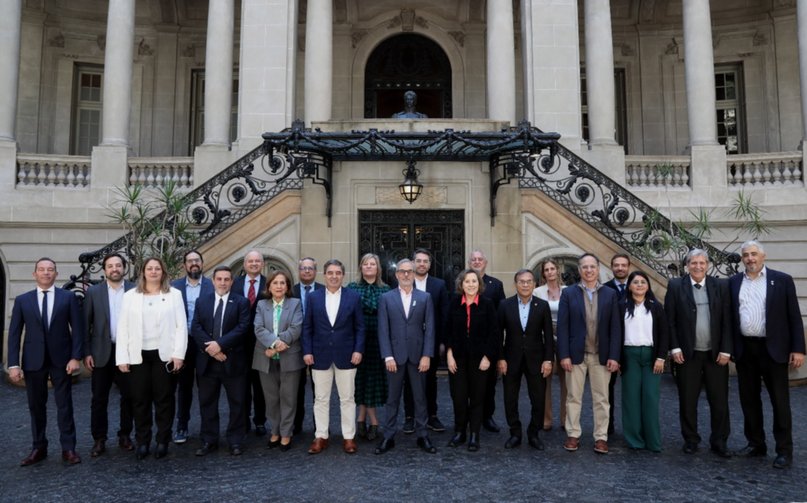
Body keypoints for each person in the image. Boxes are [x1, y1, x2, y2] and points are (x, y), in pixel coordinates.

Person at [729, 240, 805, 469]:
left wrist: (798, 348)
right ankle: (756, 444)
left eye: (754, 254)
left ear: (763, 256)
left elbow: (793, 316)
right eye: (745, 255)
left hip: (774, 350)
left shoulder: (781, 280)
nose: (750, 258)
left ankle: (784, 450)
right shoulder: (733, 283)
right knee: (749, 400)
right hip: (745, 349)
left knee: (779, 402)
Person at [8, 257, 84, 466]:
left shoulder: (67, 298)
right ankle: (38, 447)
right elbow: (14, 334)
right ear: (35, 274)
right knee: (36, 406)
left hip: (62, 360)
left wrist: (75, 357)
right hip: (33, 362)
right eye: (41, 270)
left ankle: (68, 448)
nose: (46, 273)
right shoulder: (23, 300)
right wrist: (13, 364)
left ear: (56, 274)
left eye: (50, 270)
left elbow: (78, 329)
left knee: (65, 406)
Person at [116, 257, 187, 460]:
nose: (153, 271)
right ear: (143, 272)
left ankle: (163, 440)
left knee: (164, 399)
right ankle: (143, 441)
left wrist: (178, 354)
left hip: (164, 355)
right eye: (150, 268)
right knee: (139, 400)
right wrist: (122, 357)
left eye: (157, 268)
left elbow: (181, 326)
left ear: (163, 272)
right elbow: (123, 328)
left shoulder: (174, 295)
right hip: (138, 355)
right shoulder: (130, 296)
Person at [664, 249, 732, 457]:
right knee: (688, 399)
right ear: (687, 265)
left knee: (719, 400)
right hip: (687, 354)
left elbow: (727, 320)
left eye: (702, 263)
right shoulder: (676, 286)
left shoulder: (720, 285)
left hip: (715, 354)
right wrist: (674, 348)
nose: (698, 266)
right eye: (693, 263)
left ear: (708, 265)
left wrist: (726, 349)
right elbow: (670, 320)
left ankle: (719, 440)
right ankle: (691, 439)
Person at [557, 253, 621, 454]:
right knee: (573, 397)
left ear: (598, 268)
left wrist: (614, 356)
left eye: (592, 266)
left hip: (601, 355)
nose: (589, 270)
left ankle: (601, 437)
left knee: (602, 399)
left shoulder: (610, 294)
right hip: (576, 355)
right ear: (579, 270)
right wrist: (564, 355)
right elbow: (562, 327)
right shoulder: (569, 294)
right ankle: (573, 434)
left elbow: (616, 328)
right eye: (584, 267)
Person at [302, 259, 365, 455]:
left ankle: (348, 437)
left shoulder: (353, 297)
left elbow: (360, 327)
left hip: (347, 355)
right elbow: (307, 327)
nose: (334, 276)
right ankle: (321, 436)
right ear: (324, 275)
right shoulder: (313, 298)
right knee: (320, 399)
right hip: (319, 355)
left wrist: (358, 350)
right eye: (330, 273)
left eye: (338, 273)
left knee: (347, 398)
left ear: (343, 275)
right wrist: (307, 351)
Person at [375, 258, 437, 454]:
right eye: (402, 271)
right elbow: (383, 330)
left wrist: (427, 355)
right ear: (396, 275)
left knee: (420, 398)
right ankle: (389, 436)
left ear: (414, 274)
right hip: (394, 357)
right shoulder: (387, 298)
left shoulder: (425, 297)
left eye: (409, 271)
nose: (406, 275)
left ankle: (422, 435)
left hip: (418, 356)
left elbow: (430, 330)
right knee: (392, 398)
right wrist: (387, 356)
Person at [191, 265, 251, 456]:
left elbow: (243, 328)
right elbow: (196, 327)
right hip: (208, 362)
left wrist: (220, 345)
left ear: (231, 282)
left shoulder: (241, 302)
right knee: (207, 403)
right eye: (219, 279)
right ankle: (209, 440)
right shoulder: (202, 301)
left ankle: (235, 440)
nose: (223, 282)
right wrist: (212, 349)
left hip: (233, 361)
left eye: (227, 279)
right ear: (213, 281)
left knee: (237, 402)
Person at [83, 252, 135, 457]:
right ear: (105, 270)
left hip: (128, 352)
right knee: (99, 399)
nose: (115, 269)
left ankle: (125, 435)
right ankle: (99, 439)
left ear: (124, 268)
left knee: (129, 396)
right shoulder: (94, 293)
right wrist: (86, 352)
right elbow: (85, 324)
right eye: (110, 266)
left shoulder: (134, 289)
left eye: (118, 265)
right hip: (101, 352)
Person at [498, 269, 553, 450]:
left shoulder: (542, 306)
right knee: (509, 398)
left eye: (529, 281)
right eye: (521, 281)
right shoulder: (505, 305)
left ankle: (533, 433)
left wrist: (548, 360)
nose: (525, 284)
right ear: (516, 284)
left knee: (538, 398)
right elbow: (498, 335)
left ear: (534, 284)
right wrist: (501, 358)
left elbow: (548, 335)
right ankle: (515, 433)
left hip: (536, 359)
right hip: (511, 359)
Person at [446, 269, 500, 452]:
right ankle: (460, 431)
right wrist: (449, 355)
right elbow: (447, 331)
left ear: (479, 284)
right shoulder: (453, 303)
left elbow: (495, 334)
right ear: (461, 284)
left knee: (477, 398)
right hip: (458, 359)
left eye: (474, 281)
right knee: (459, 398)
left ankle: (474, 434)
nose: (471, 284)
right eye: (467, 281)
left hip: (480, 360)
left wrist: (488, 357)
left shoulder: (487, 304)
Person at [253, 270, 304, 452]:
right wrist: (274, 343)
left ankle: (286, 433)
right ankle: (274, 430)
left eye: (283, 283)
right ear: (269, 286)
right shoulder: (261, 305)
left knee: (288, 398)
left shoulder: (295, 304)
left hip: (290, 358)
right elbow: (258, 328)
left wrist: (279, 343)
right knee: (271, 398)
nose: (279, 286)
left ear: (288, 286)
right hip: (265, 358)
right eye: (275, 283)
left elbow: (296, 328)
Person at [619, 270, 668, 452]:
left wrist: (661, 357)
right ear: (629, 286)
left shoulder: (656, 307)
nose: (639, 285)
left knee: (650, 397)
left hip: (651, 356)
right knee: (631, 399)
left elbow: (664, 334)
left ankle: (653, 441)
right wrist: (617, 359)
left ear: (648, 286)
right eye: (635, 282)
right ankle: (634, 440)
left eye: (643, 282)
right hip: (629, 355)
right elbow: (616, 334)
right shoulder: (621, 306)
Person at [402, 248, 449, 434]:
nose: (421, 264)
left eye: (425, 261)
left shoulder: (439, 285)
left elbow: (444, 315)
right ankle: (409, 417)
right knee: (408, 379)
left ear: (430, 264)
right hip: (408, 341)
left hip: (431, 340)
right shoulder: (404, 283)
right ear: (413, 263)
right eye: (418, 260)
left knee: (430, 380)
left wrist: (443, 342)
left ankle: (432, 416)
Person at [170, 250, 213, 444]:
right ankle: (182, 426)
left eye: (197, 260)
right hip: (183, 344)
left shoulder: (212, 285)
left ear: (202, 263)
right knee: (184, 387)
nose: (193, 263)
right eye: (189, 261)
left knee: (206, 387)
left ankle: (207, 428)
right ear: (184, 265)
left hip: (205, 343)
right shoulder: (174, 287)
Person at [347, 253, 390, 442]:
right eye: (366, 264)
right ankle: (372, 422)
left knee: (372, 382)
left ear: (378, 268)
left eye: (373, 264)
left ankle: (362, 419)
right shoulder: (351, 288)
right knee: (359, 381)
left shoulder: (386, 290)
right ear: (361, 267)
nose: (369, 267)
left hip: (378, 343)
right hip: (356, 343)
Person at [468, 249, 505, 433]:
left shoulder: (496, 285)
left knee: (489, 383)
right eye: (473, 259)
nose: (476, 262)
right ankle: (468, 416)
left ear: (485, 262)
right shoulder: (462, 283)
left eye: (479, 259)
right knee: (468, 383)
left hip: (489, 342)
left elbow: (502, 314)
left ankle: (487, 416)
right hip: (467, 343)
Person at [232, 250, 268, 436]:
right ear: (244, 264)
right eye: (250, 261)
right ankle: (243, 420)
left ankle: (260, 421)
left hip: (262, 344)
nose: (254, 264)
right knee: (241, 385)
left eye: (257, 261)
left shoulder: (269, 284)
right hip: (239, 345)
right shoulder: (235, 284)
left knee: (260, 385)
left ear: (262, 264)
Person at [291, 257, 324, 435]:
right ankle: (296, 425)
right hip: (294, 345)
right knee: (296, 388)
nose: (306, 271)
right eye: (303, 268)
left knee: (319, 390)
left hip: (318, 345)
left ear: (315, 271)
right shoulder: (291, 291)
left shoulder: (324, 290)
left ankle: (319, 427)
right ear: (299, 270)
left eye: (310, 268)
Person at [533, 257, 567, 431]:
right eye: (546, 270)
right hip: (545, 337)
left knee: (566, 380)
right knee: (544, 380)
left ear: (557, 270)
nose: (550, 272)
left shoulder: (568, 291)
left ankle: (565, 418)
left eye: (552, 269)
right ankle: (546, 419)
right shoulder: (537, 292)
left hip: (564, 337)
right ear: (543, 274)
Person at [604, 253, 630, 435]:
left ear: (628, 267)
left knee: (632, 390)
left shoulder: (638, 286)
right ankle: (608, 424)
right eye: (616, 265)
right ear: (611, 267)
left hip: (631, 345)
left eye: (623, 265)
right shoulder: (604, 289)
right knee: (607, 390)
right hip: (611, 346)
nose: (620, 268)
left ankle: (632, 426)